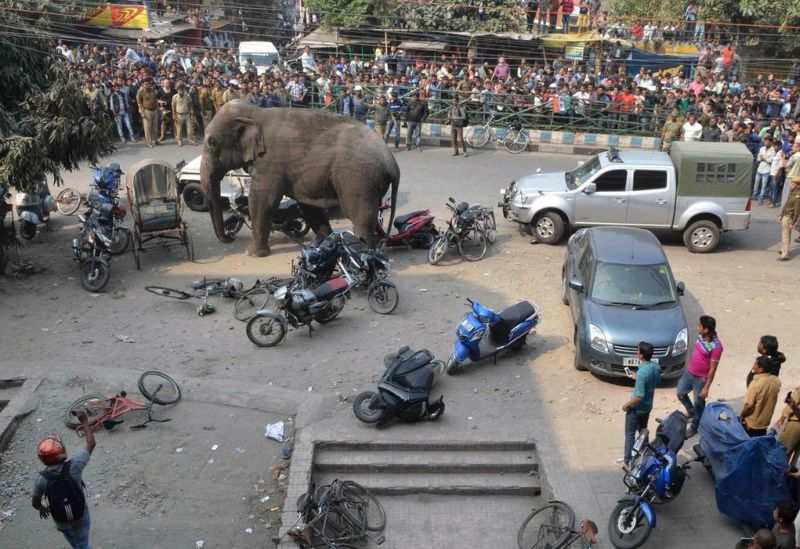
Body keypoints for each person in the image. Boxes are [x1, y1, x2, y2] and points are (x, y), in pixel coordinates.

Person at [32, 411, 96, 548]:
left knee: (74, 541)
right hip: (80, 515)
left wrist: (42, 508)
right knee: (83, 543)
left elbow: (35, 502)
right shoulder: (75, 466)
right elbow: (91, 444)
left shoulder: (41, 479)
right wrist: (84, 421)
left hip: (61, 520)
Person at [678, 315, 723, 438]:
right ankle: (691, 412)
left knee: (699, 403)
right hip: (689, 372)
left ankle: (694, 426)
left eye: (700, 326)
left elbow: (713, 369)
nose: (697, 327)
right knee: (680, 393)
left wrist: (706, 387)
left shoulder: (717, 347)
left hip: (701, 378)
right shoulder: (701, 336)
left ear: (706, 330)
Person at [620, 341, 661, 468]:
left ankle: (628, 460)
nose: (636, 352)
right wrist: (636, 376)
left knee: (630, 434)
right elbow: (656, 382)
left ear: (641, 355)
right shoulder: (655, 367)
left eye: (638, 350)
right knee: (643, 431)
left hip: (636, 409)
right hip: (647, 407)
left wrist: (627, 404)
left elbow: (639, 396)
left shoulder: (642, 373)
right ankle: (645, 454)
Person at [740, 355, 782, 437]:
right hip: (764, 424)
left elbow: (748, 405)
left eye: (755, 365)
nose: (753, 367)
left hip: (751, 424)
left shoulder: (755, 384)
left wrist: (742, 415)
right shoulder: (776, 381)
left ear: (761, 369)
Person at [777, 177, 800, 261]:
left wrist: (793, 223)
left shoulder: (797, 197)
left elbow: (797, 212)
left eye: (793, 184)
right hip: (785, 216)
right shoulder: (792, 193)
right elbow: (786, 204)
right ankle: (784, 250)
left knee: (785, 236)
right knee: (785, 235)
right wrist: (781, 214)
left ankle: (784, 255)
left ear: (797, 186)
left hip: (789, 217)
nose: (790, 185)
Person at [776, 389, 800, 465]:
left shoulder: (798, 391)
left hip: (795, 425)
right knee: (795, 459)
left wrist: (781, 419)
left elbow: (790, 407)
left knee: (781, 454)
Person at [136, 78, 159, 148]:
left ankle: (155, 140)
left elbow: (155, 99)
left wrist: (158, 108)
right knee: (147, 128)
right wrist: (142, 112)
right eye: (145, 84)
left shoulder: (152, 90)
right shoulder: (140, 92)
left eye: (148, 83)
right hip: (146, 111)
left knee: (155, 127)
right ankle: (149, 142)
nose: (147, 85)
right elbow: (139, 103)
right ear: (142, 84)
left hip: (154, 110)